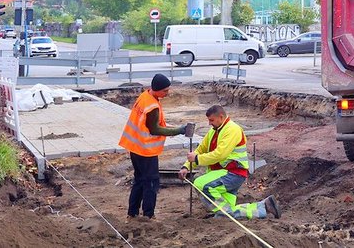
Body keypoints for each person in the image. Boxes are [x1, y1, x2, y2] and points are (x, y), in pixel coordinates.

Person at [179, 105, 281, 220]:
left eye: (211, 120)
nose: (209, 123)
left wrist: (197, 159)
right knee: (225, 215)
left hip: (233, 173)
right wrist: (186, 166)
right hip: (226, 173)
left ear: (221, 117)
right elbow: (201, 149)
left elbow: (220, 154)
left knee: (202, 185)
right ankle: (265, 206)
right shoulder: (214, 131)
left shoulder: (232, 129)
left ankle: (226, 213)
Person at [119, 73, 188, 219]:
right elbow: (154, 129)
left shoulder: (145, 96)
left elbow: (150, 124)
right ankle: (148, 215)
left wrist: (170, 127)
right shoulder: (152, 106)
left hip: (135, 147)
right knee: (151, 182)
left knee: (139, 180)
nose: (167, 93)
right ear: (156, 89)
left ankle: (133, 213)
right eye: (165, 91)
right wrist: (179, 130)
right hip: (145, 150)